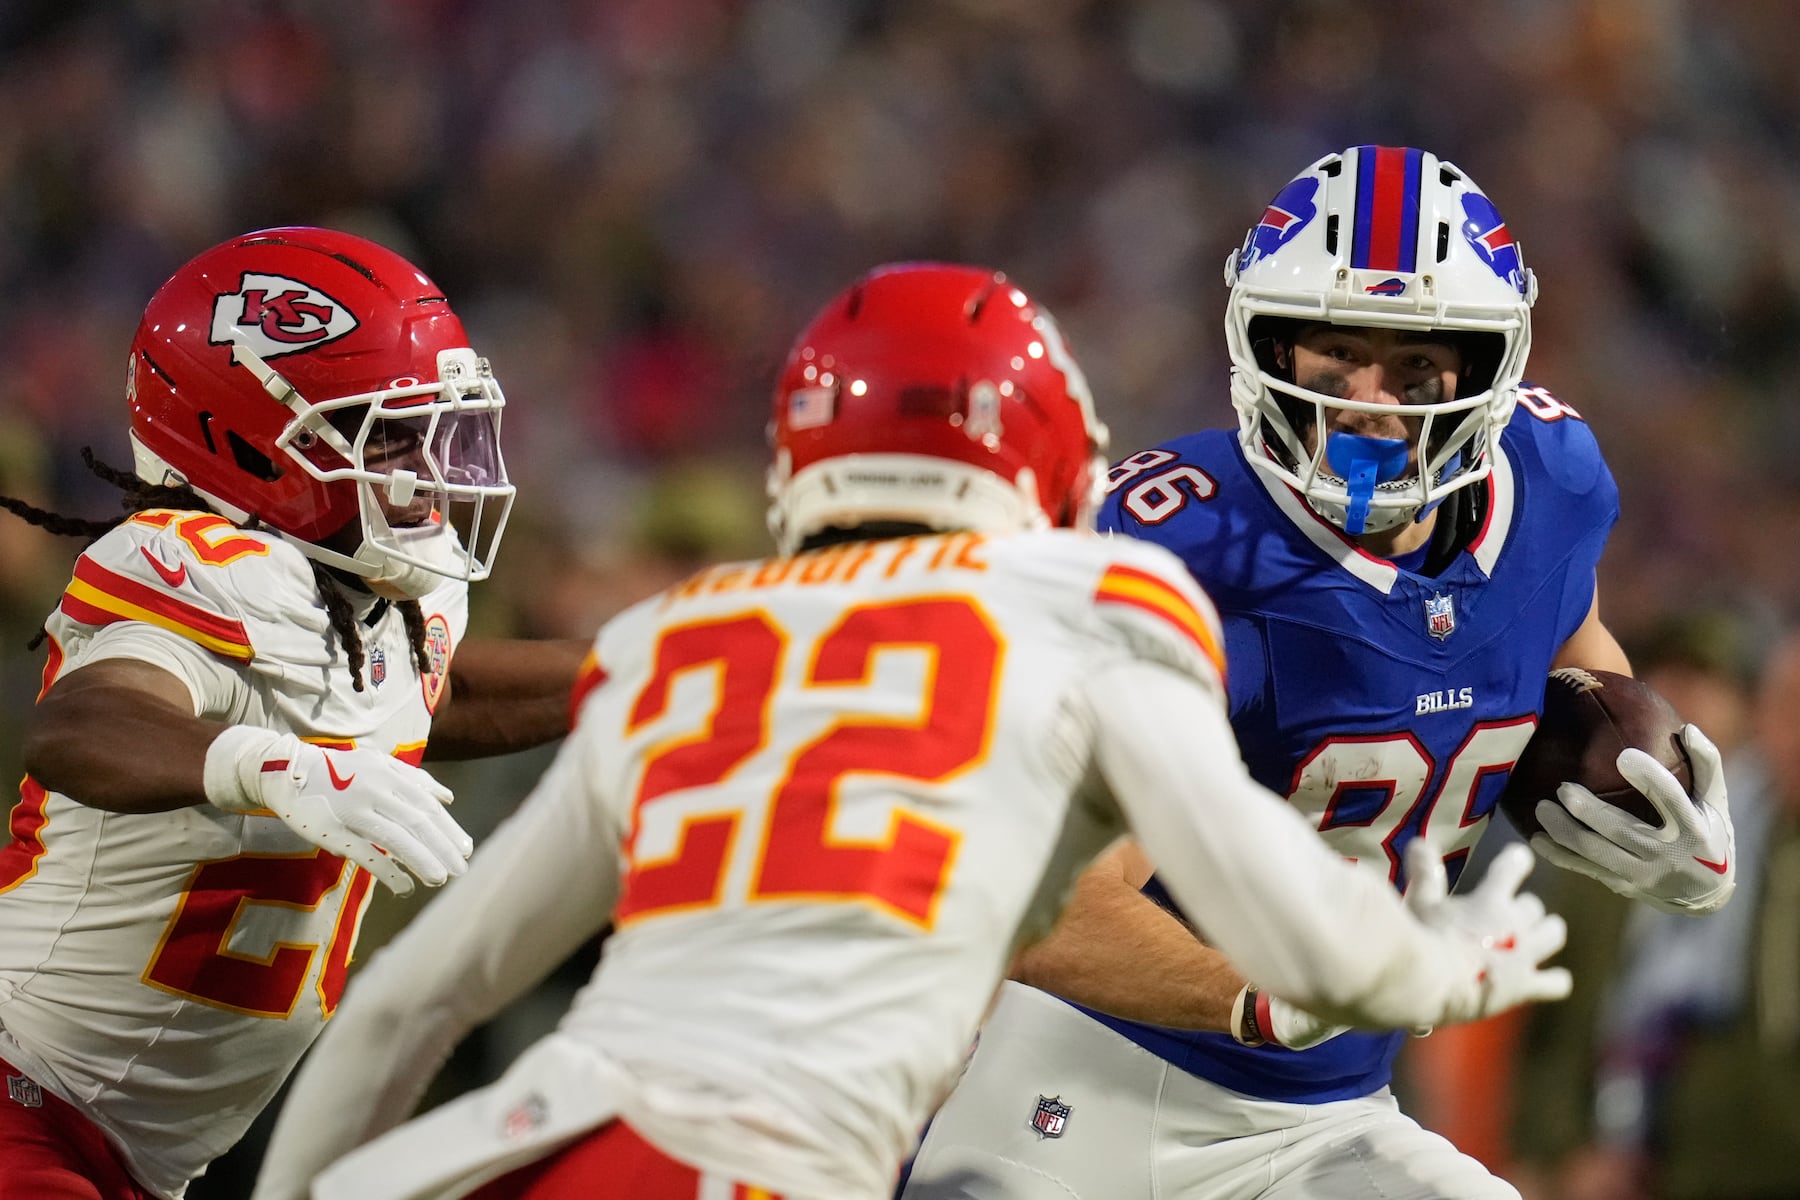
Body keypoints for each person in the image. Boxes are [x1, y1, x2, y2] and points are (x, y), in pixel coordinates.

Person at [248, 262, 1570, 1200]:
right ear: (1055, 469)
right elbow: (1289, 924)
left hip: (535, 1145)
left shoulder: (682, 637)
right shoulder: (1090, 607)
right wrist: (1434, 969)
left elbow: (416, 1002)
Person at [900, 145, 1738, 1200]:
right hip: (1083, 1104)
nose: (1368, 407)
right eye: (1333, 362)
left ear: (1488, 372)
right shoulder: (1185, 556)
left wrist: (1652, 814)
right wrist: (1273, 996)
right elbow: (1046, 904)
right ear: (1265, 353)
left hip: (1329, 1121)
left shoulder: (1554, 484)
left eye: (1416, 367)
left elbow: (1571, 653)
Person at [0, 227, 588, 1200]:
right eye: (386, 432)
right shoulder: (193, 568)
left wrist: (648, 667)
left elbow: (434, 690)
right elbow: (85, 721)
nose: (429, 464)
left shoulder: (387, 597)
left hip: (137, 1151)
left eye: (432, 424)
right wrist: (274, 767)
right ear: (245, 441)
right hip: (29, 1097)